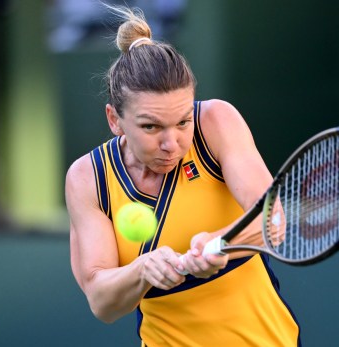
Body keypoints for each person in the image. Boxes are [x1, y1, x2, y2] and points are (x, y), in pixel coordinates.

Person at [65, 6, 301, 347]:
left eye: (182, 122)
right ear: (115, 120)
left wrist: (218, 244)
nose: (171, 143)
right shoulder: (88, 178)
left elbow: (273, 221)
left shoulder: (217, 122)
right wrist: (143, 269)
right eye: (150, 127)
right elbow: (102, 302)